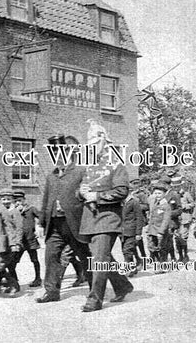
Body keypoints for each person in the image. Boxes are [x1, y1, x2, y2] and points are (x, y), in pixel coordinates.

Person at [78, 123, 134, 312]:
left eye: (95, 141)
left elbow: (122, 191)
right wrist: (82, 192)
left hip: (108, 218)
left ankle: (94, 300)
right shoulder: (89, 165)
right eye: (89, 142)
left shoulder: (116, 163)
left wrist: (97, 197)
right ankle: (122, 285)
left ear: (105, 140)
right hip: (90, 219)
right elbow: (81, 191)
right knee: (102, 257)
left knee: (99, 259)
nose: (92, 145)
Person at [37, 134, 92, 303]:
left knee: (85, 257)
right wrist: (40, 223)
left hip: (75, 224)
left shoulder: (81, 172)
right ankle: (52, 292)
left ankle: (96, 289)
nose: (58, 156)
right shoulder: (51, 176)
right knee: (51, 256)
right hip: (54, 224)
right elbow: (46, 201)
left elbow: (87, 197)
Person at [0, 188, 23, 295]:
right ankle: (0, 284)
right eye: (3, 199)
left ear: (13, 200)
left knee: (8, 265)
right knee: (1, 263)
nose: (6, 201)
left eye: (8, 199)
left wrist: (17, 243)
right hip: (2, 242)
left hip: (12, 243)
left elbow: (19, 228)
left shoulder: (14, 212)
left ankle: (14, 285)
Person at [13, 190, 42, 287]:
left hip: (30, 239)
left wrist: (38, 227)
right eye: (16, 201)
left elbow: (41, 217)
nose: (18, 203)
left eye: (20, 200)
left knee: (34, 259)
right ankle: (13, 279)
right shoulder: (14, 212)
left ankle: (38, 278)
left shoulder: (31, 209)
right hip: (20, 241)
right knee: (14, 260)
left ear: (24, 200)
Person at [121, 184, 144, 277]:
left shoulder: (134, 202)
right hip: (122, 231)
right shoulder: (121, 202)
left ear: (129, 191)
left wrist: (138, 233)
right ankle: (135, 264)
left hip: (132, 230)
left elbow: (139, 218)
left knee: (127, 250)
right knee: (128, 249)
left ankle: (129, 268)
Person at [147, 182, 172, 263]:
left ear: (164, 194)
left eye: (159, 193)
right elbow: (151, 217)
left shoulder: (166, 206)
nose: (157, 195)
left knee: (162, 248)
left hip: (160, 231)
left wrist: (161, 232)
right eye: (155, 193)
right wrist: (149, 230)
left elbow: (166, 220)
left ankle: (163, 265)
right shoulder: (155, 204)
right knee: (152, 247)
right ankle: (158, 263)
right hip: (153, 230)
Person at [176, 178, 195, 262]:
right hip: (176, 219)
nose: (176, 187)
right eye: (174, 186)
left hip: (185, 217)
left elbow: (193, 204)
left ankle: (185, 255)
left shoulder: (186, 194)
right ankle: (180, 256)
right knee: (177, 238)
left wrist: (185, 206)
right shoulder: (172, 194)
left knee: (183, 237)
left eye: (177, 185)